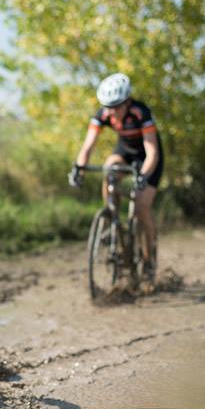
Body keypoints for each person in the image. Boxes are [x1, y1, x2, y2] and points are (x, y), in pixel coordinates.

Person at [69, 73, 164, 281]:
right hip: (125, 151)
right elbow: (88, 146)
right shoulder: (104, 114)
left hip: (148, 156)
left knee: (141, 206)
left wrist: (143, 176)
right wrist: (78, 168)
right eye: (108, 107)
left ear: (128, 101)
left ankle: (149, 258)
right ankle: (112, 216)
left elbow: (152, 153)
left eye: (117, 106)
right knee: (109, 168)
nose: (112, 111)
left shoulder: (141, 112)